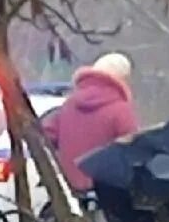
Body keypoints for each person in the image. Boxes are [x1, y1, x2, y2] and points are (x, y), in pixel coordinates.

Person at [44, 52, 140, 194]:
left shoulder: (69, 104)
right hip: (107, 194)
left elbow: (45, 136)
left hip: (70, 190)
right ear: (122, 79)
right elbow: (134, 149)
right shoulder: (120, 110)